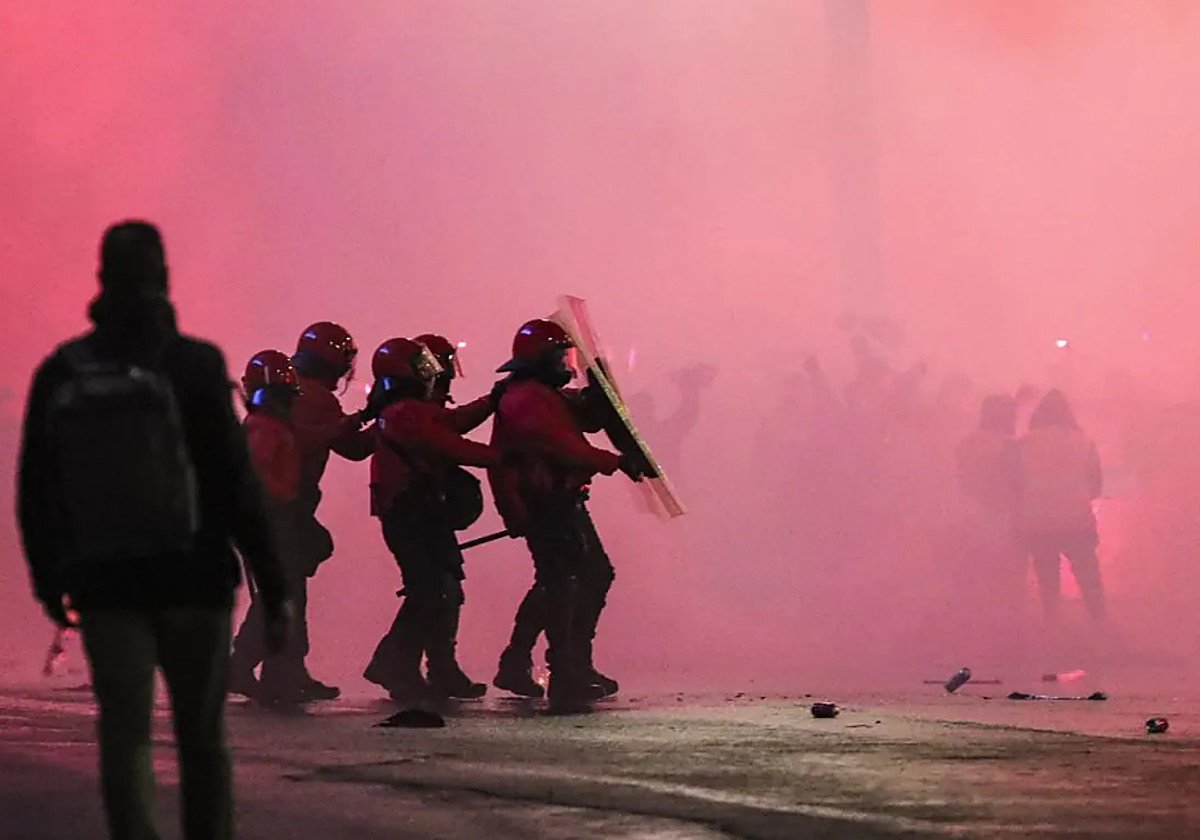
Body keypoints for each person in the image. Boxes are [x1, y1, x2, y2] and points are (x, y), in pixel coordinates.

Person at [16, 220, 291, 840]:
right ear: (164, 277)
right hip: (196, 580)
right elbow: (235, 485)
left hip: (107, 584)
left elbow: (37, 490)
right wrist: (274, 587)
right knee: (201, 741)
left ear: (102, 278)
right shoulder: (196, 364)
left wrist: (50, 582)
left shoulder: (63, 370)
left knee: (125, 735)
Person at [488, 319, 643, 713]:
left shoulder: (540, 395)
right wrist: (617, 460)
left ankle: (549, 662)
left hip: (558, 500)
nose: (566, 364)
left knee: (573, 578)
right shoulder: (526, 398)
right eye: (560, 356)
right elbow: (561, 444)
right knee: (564, 582)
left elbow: (584, 417)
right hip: (545, 503)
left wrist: (599, 390)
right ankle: (565, 670)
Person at [362, 338, 501, 701]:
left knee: (437, 590)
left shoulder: (405, 410)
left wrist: (491, 401)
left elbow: (451, 423)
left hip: (419, 512)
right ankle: (398, 664)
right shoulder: (405, 413)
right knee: (432, 592)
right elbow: (449, 442)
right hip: (413, 514)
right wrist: (503, 456)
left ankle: (422, 667)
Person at [272, 321, 373, 701]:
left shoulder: (291, 390)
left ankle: (283, 669)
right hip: (288, 505)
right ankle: (261, 667)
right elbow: (347, 444)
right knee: (287, 591)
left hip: (281, 504)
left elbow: (350, 445)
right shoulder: (316, 398)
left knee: (288, 588)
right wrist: (373, 418)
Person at [228, 351, 310, 705]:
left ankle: (275, 674)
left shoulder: (264, 425)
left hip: (270, 517)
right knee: (278, 596)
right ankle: (241, 663)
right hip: (269, 518)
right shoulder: (266, 427)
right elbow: (261, 473)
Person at [1018, 389, 1106, 620]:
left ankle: (1054, 628)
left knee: (1047, 580)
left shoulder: (1024, 444)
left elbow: (1015, 484)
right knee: (1089, 578)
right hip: (1077, 520)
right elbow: (1095, 487)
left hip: (1038, 521)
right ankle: (1101, 625)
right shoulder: (1085, 444)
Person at [955, 395, 1024, 610]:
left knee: (972, 587)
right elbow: (1017, 486)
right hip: (999, 519)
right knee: (1005, 588)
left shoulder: (966, 442)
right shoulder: (1009, 446)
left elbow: (961, 480)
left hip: (965, 516)